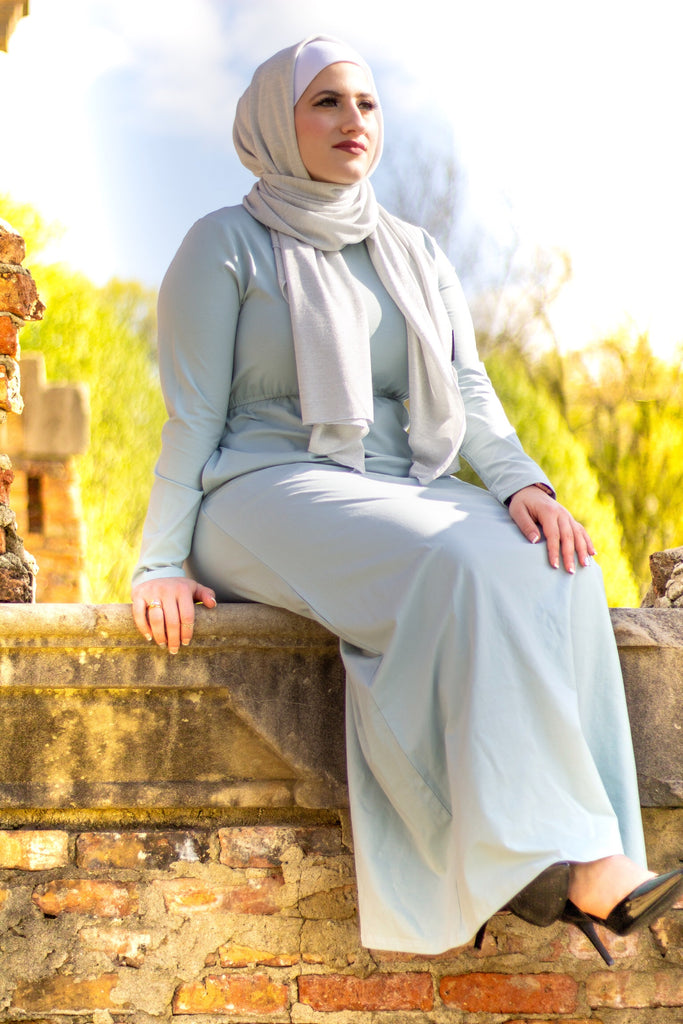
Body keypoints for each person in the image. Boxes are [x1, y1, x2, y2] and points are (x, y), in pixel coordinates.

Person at [131, 35, 682, 958]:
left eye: (367, 105)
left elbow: (466, 390)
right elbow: (191, 417)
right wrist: (158, 560)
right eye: (327, 103)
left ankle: (572, 863)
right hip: (260, 489)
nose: (354, 122)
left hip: (400, 483)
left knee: (559, 567)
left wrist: (524, 485)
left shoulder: (412, 250)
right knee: (455, 560)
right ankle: (569, 864)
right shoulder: (222, 244)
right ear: (275, 120)